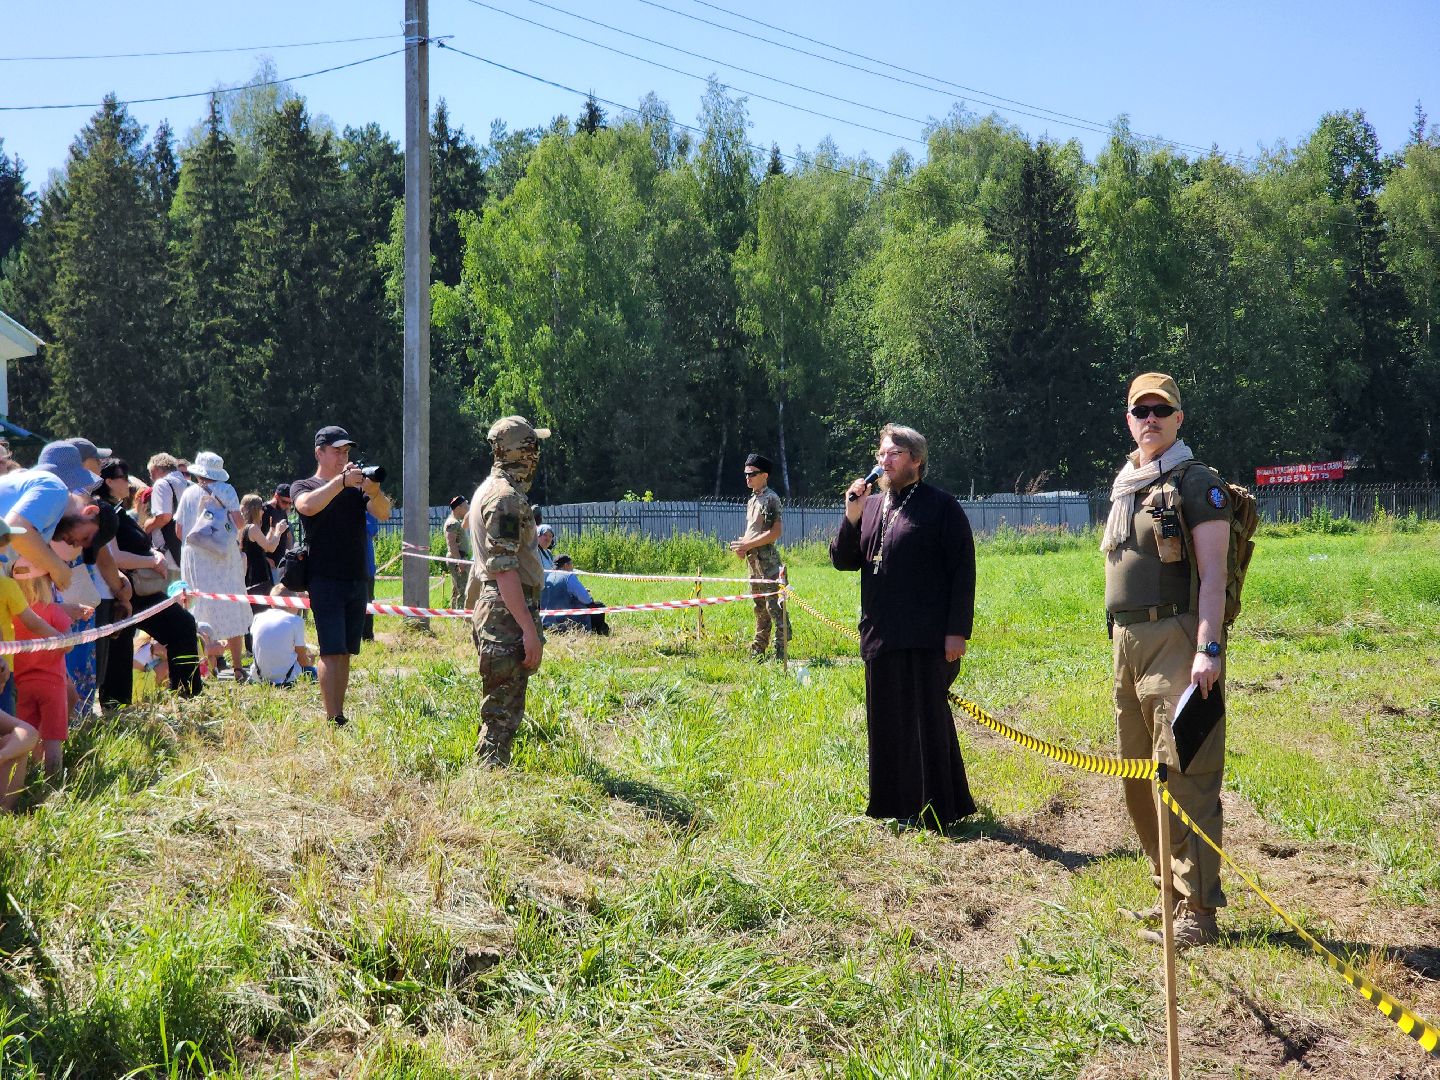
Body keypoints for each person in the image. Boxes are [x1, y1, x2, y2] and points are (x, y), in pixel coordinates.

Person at [1103, 372, 1232, 949]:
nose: (1149, 418)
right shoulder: (1128, 482)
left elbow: (1212, 578)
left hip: (1178, 639)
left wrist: (1209, 649)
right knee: (1139, 777)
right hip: (1127, 645)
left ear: (1179, 417)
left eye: (1161, 409)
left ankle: (1200, 911)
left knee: (1187, 775)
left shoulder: (1197, 481)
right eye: (1140, 410)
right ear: (1128, 418)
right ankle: (1168, 894)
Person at [830, 424, 977, 831]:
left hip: (927, 635)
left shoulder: (941, 507)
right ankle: (896, 804)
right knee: (888, 721)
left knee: (926, 720)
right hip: (881, 633)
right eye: (881, 453)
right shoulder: (873, 505)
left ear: (916, 460)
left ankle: (939, 809)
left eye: (894, 453)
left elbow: (962, 570)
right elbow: (844, 560)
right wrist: (852, 515)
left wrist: (956, 632)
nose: (885, 461)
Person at [291, 425, 392, 726]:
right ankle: (332, 716)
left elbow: (384, 512)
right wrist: (341, 482)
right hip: (324, 579)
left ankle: (340, 713)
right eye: (337, 451)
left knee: (346, 651)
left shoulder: (353, 487)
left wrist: (373, 490)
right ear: (319, 452)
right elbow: (306, 507)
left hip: (356, 578)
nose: (343, 457)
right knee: (330, 650)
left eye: (346, 452)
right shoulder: (305, 485)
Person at [469, 416, 549, 765]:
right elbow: (503, 570)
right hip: (506, 612)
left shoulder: (491, 490)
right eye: (534, 447)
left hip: (499, 608)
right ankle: (489, 781)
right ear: (523, 452)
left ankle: (493, 776)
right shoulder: (505, 498)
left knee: (504, 703)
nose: (537, 456)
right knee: (502, 710)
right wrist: (529, 630)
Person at [94, 461, 203, 705]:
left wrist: (152, 556)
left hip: (141, 591)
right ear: (109, 482)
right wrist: (151, 561)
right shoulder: (103, 511)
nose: (128, 480)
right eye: (123, 476)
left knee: (183, 624)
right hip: (121, 589)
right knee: (119, 649)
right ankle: (115, 707)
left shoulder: (118, 510)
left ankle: (187, 695)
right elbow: (114, 556)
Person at [175, 452, 250, 680]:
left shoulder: (188, 493)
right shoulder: (227, 490)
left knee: (200, 609)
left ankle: (209, 668)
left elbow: (179, 531)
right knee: (231, 604)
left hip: (194, 557)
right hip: (222, 557)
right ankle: (237, 668)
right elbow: (239, 523)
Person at [12, 560, 74, 785]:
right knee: (52, 737)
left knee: (27, 734)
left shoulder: (15, 615)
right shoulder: (53, 611)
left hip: (23, 684)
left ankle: (24, 778)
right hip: (53, 684)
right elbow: (69, 644)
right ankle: (53, 780)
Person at [729, 453, 788, 661]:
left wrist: (748, 544)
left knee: (775, 606)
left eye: (752, 474)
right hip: (753, 561)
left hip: (768, 561)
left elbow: (774, 533)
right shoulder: (752, 500)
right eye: (746, 474)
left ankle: (781, 651)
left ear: (764, 475)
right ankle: (759, 649)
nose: (748, 478)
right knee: (759, 607)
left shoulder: (771, 498)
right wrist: (742, 547)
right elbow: (752, 531)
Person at [249, 586, 315, 686]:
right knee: (316, 670)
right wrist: (310, 660)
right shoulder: (296, 621)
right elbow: (302, 660)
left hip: (258, 678)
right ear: (292, 603)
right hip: (287, 679)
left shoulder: (257, 618)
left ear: (271, 604)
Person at [540, 554, 607, 633]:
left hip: (546, 621)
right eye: (571, 564)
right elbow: (586, 599)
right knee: (599, 606)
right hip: (565, 622)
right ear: (566, 565)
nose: (572, 567)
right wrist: (587, 595)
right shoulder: (569, 576)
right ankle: (598, 632)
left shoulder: (549, 576)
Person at [144, 453, 189, 566]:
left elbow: (164, 517)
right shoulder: (190, 485)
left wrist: (148, 526)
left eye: (151, 473)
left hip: (168, 555)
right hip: (187, 553)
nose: (151, 478)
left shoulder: (161, 484)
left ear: (157, 469)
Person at [260, 485, 294, 583]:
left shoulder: (282, 511)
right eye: (284, 502)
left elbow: (287, 535)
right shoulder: (263, 510)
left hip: (281, 562)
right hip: (268, 565)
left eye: (290, 503)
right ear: (276, 496)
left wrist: (290, 555)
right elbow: (254, 538)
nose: (287, 505)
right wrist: (265, 558)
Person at [444, 496, 471, 609]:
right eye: (465, 505)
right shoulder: (453, 523)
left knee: (457, 588)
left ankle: (454, 614)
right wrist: (460, 561)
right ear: (458, 507)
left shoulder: (457, 522)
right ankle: (460, 615)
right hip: (457, 559)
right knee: (463, 590)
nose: (468, 507)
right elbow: (452, 544)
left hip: (459, 558)